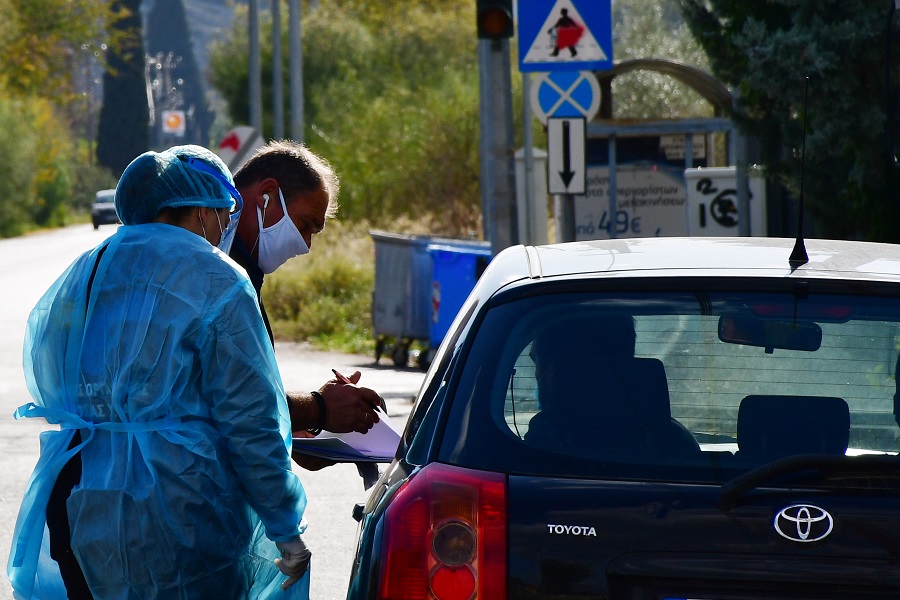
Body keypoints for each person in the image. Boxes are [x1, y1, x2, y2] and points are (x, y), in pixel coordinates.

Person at [8, 145, 311, 599]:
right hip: (183, 511)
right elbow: (252, 422)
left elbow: (52, 378)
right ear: (200, 210)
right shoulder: (219, 280)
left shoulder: (85, 273)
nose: (225, 225)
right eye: (222, 213)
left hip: (83, 502)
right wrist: (285, 528)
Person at [229, 140, 383, 466]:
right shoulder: (217, 278)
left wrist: (305, 424)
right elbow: (235, 404)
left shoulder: (242, 274)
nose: (307, 245)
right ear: (267, 195)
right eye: (305, 224)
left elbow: (249, 404)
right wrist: (319, 407)